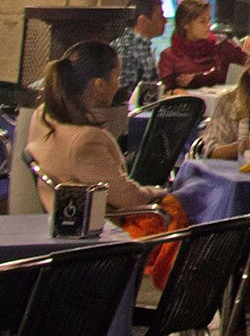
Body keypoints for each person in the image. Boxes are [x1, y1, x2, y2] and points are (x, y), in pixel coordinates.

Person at [27, 41, 166, 213]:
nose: (118, 84)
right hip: (103, 225)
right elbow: (128, 199)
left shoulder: (44, 114)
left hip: (65, 214)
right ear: (99, 84)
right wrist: (159, 192)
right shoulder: (86, 140)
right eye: (116, 77)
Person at [157, 0, 250, 90]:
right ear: (185, 24)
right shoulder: (169, 56)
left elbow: (249, 62)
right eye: (202, 21)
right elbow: (165, 90)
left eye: (209, 20)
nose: (209, 25)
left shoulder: (221, 46)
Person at [114, 0, 165, 97]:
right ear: (143, 21)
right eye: (160, 16)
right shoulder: (127, 49)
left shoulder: (140, 46)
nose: (165, 20)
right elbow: (125, 96)